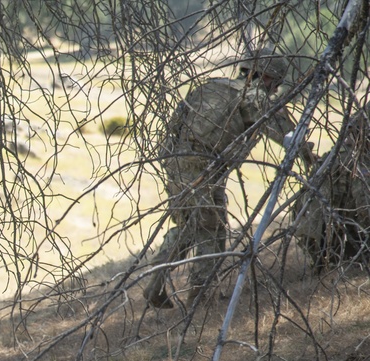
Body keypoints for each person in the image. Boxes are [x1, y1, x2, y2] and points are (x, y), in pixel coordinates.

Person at [145, 47, 317, 308]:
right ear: (268, 78)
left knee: (191, 225)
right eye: (276, 85)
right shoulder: (254, 96)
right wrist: (311, 160)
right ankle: (200, 302)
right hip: (205, 168)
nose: (275, 92)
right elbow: (287, 135)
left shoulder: (210, 87)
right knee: (210, 231)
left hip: (177, 162)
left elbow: (175, 125)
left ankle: (156, 284)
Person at [293, 106, 370, 269]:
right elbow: (364, 208)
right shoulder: (357, 161)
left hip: (320, 231)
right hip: (323, 231)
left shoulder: (334, 156)